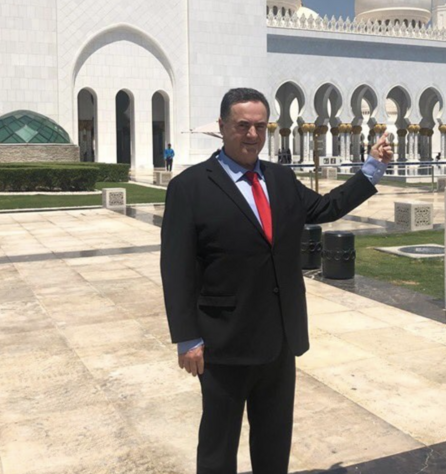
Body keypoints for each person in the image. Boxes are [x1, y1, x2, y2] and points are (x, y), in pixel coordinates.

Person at [160, 88, 392, 474]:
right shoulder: (191, 188)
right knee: (219, 445)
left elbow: (326, 207)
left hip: (279, 339)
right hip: (224, 342)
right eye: (242, 126)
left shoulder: (280, 179)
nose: (252, 135)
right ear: (222, 127)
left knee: (274, 440)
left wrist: (371, 168)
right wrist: (187, 336)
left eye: (260, 126)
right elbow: (177, 267)